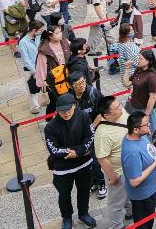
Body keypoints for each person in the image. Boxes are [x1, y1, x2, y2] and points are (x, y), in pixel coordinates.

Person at [42, 94, 97, 229]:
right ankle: (66, 217)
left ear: (74, 106)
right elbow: (54, 149)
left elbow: (90, 136)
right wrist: (73, 152)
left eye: (68, 110)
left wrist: (78, 152)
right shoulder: (50, 127)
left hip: (84, 163)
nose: (66, 113)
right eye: (62, 111)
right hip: (63, 168)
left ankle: (83, 213)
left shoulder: (83, 117)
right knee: (64, 194)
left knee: (84, 190)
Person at [120, 111, 156, 229]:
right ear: (136, 129)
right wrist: (155, 163)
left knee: (149, 221)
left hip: (151, 190)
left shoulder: (140, 135)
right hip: (143, 196)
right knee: (144, 225)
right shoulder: (131, 153)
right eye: (146, 124)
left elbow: (148, 145)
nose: (149, 125)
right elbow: (134, 181)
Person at [93, 96, 129, 229]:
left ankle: (130, 212)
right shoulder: (102, 134)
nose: (120, 109)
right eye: (116, 108)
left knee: (129, 194)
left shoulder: (122, 112)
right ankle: (117, 225)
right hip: (118, 172)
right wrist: (113, 177)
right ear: (107, 115)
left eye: (119, 105)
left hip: (131, 167)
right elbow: (102, 158)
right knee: (116, 203)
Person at [124, 50, 156, 133]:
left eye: (140, 59)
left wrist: (147, 114)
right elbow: (127, 83)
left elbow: (153, 97)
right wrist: (127, 69)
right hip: (137, 106)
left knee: (155, 131)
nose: (138, 60)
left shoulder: (152, 76)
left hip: (149, 109)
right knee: (139, 131)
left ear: (148, 61)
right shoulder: (139, 69)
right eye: (138, 58)